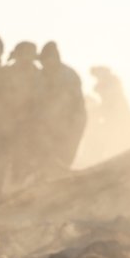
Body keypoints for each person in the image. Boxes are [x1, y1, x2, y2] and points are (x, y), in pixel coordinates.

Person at [38, 41, 88, 169]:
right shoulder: (42, 75)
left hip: (71, 122)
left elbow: (71, 103)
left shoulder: (68, 75)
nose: (44, 65)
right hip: (50, 125)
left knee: (63, 158)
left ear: (55, 59)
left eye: (46, 61)